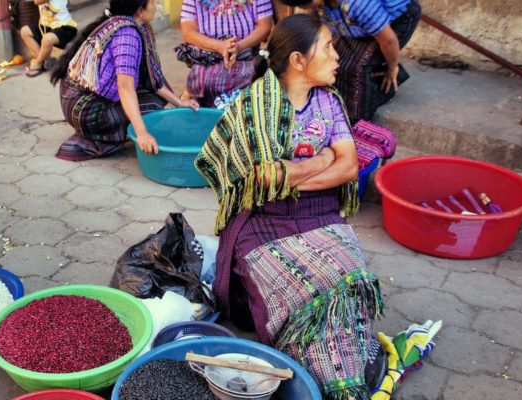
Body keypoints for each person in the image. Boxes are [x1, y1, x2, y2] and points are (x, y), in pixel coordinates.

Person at [195, 14, 384, 400]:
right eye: (328, 47)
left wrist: (293, 176)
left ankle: (337, 373)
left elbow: (348, 166)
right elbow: (265, 179)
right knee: (303, 290)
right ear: (298, 60)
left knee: (349, 277)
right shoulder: (256, 104)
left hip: (319, 212)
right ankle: (331, 371)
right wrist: (321, 159)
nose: (337, 57)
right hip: (264, 219)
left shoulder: (329, 102)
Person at [50, 0, 199, 161]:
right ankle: (103, 136)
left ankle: (124, 129)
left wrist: (179, 102)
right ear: (140, 11)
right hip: (84, 108)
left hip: (78, 97)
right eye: (153, 2)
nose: (155, 6)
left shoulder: (135, 25)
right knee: (151, 111)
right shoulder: (127, 35)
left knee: (154, 99)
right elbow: (125, 87)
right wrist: (142, 133)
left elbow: (152, 79)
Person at [279, 0, 421, 124]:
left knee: (357, 66)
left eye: (305, 3)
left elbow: (388, 40)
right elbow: (315, 23)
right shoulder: (323, 5)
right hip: (363, 21)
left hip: (396, 21)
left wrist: (392, 68)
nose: (304, 8)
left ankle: (358, 120)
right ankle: (345, 101)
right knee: (337, 60)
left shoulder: (358, 5)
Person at [176, 0, 273, 107]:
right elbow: (188, 32)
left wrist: (239, 47)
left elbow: (264, 27)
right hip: (208, 56)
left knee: (257, 81)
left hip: (247, 53)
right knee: (199, 80)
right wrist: (220, 46)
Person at [20, 0, 78, 77]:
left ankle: (38, 63)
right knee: (24, 31)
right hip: (45, 27)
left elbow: (37, 1)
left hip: (65, 27)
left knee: (47, 39)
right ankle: (44, 60)